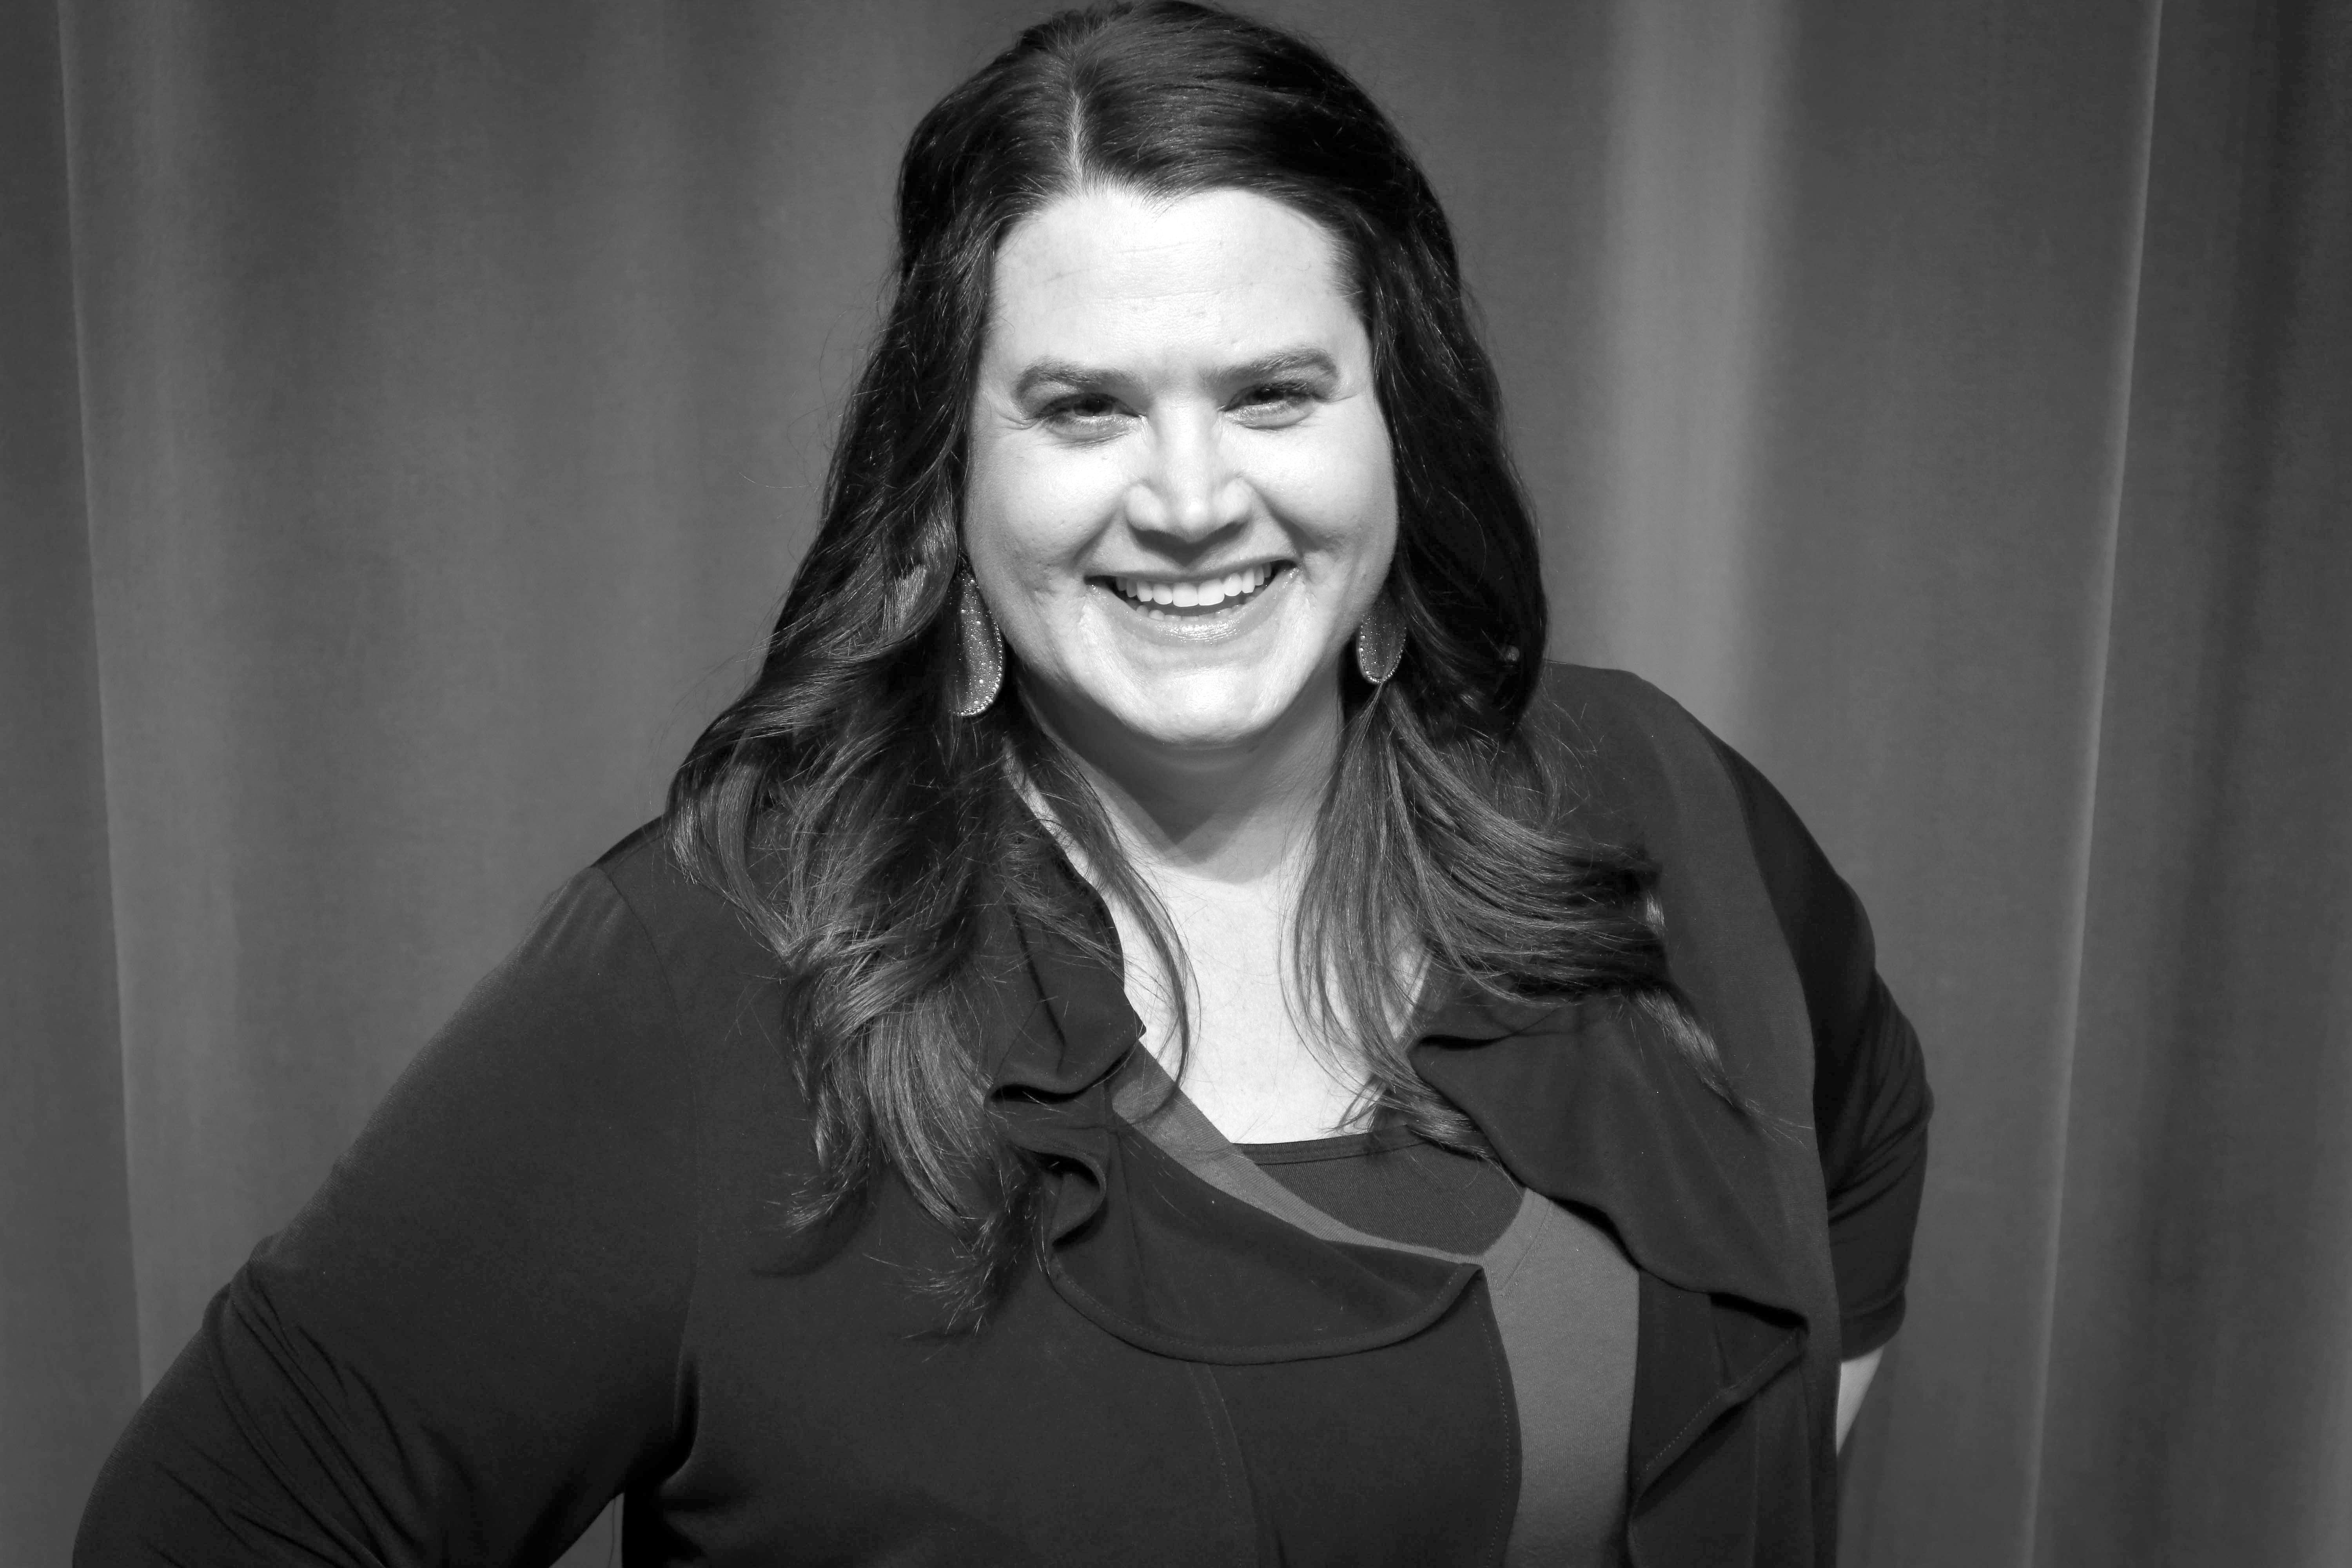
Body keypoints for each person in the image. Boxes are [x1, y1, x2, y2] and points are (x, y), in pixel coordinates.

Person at [76, 3, 1930, 1564]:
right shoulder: (725, 980)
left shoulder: (1644, 801)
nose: (1194, 496)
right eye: (1085, 407)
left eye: (1277, 391)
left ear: (1399, 427)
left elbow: (1847, 1155)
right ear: (952, 481)